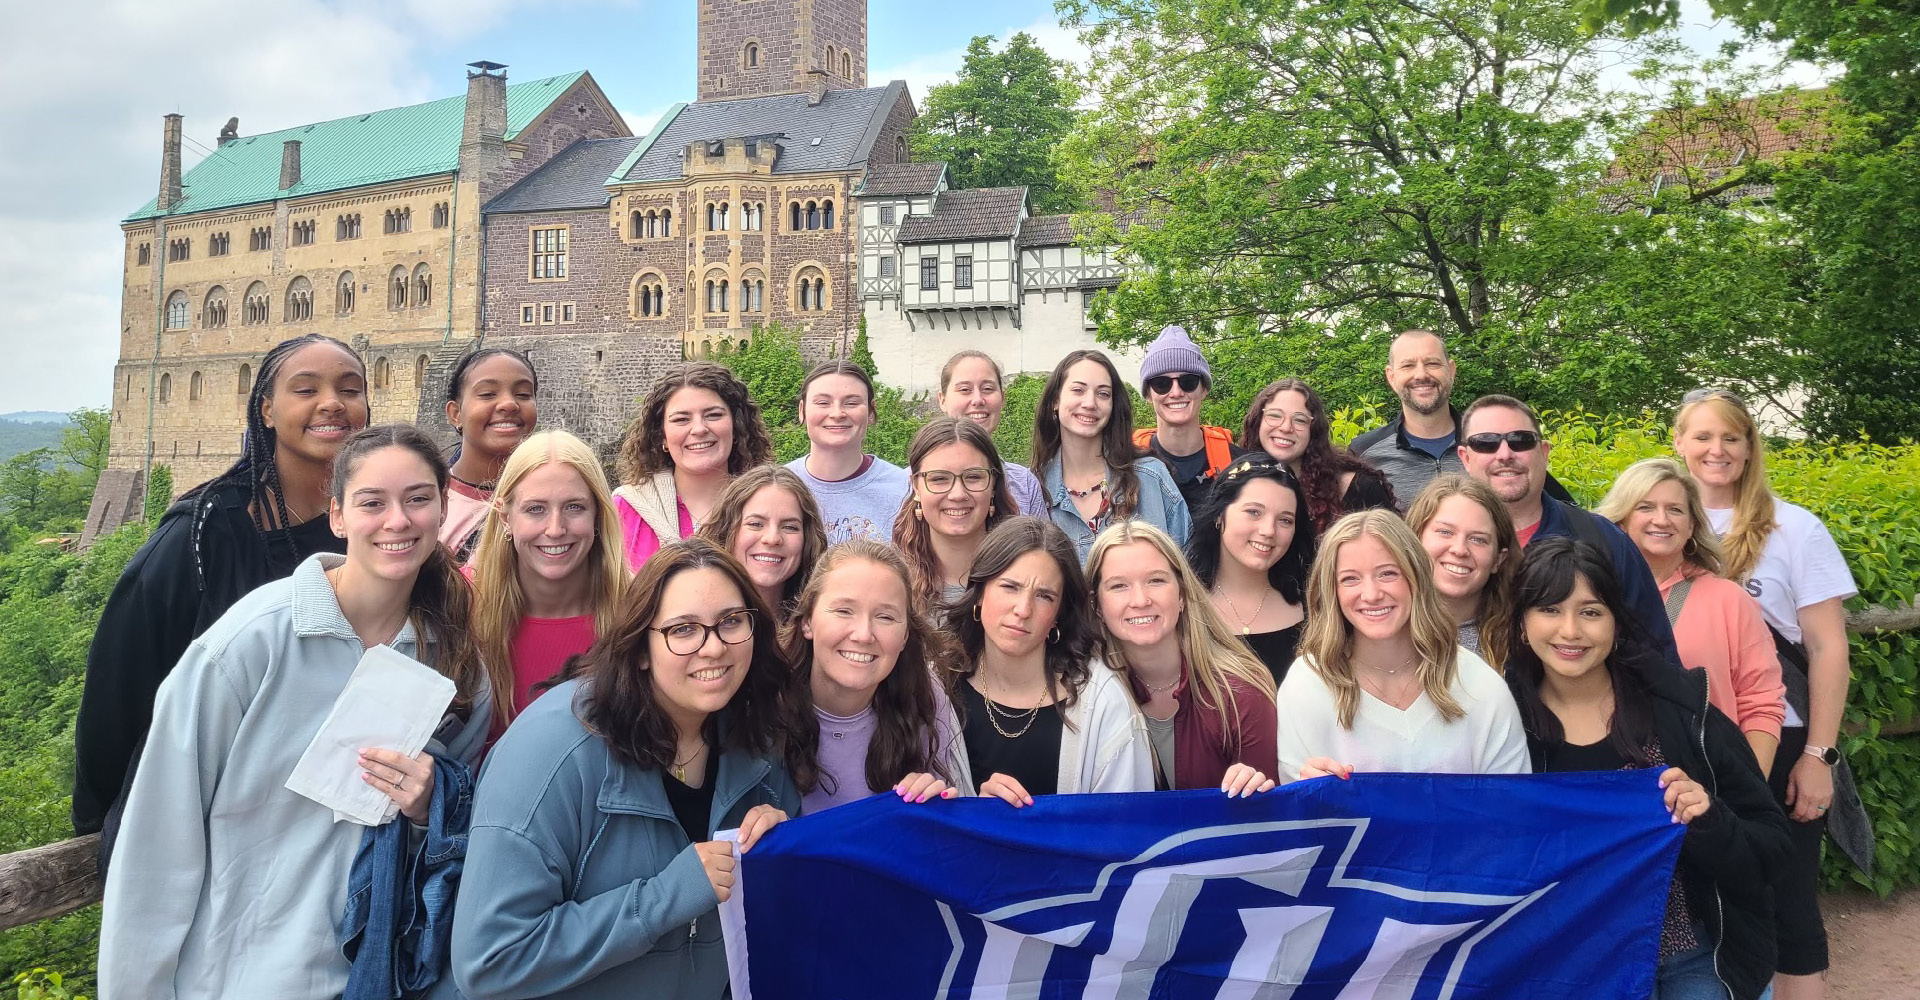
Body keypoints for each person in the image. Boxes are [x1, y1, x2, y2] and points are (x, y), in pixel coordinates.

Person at [99, 425, 494, 1000]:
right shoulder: (250, 645)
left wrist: (430, 806)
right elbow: (157, 844)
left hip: (374, 972)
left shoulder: (456, 665)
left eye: (417, 499)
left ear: (441, 510)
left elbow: (454, 841)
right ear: (337, 515)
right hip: (235, 977)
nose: (398, 520)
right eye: (372, 502)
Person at [446, 538, 797, 1000]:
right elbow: (489, 959)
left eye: (731, 622)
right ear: (641, 648)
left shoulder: (755, 736)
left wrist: (781, 848)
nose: (713, 648)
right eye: (683, 629)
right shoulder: (552, 753)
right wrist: (663, 898)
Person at [73, 334, 371, 855]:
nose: (332, 403)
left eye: (350, 389)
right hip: (208, 824)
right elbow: (121, 682)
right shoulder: (203, 535)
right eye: (306, 389)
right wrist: (106, 823)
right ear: (267, 411)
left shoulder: (370, 529)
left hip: (323, 830)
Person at [1505, 537, 1792, 1000]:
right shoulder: (1502, 723)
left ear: (1617, 622)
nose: (1570, 630)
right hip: (1572, 962)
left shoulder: (1681, 710)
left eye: (1591, 611)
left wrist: (1710, 819)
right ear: (1522, 623)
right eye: (1550, 609)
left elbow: (1772, 848)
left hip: (1695, 954)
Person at [1674, 389, 1863, 999]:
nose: (1717, 450)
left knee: (1787, 899)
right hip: (1682, 736)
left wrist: (1819, 757)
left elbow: (1828, 649)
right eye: (1703, 436)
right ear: (1679, 442)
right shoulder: (1657, 520)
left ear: (1751, 447)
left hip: (1775, 736)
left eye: (1732, 437)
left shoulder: (1794, 529)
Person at [1276, 510, 1529, 782]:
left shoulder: (1479, 685)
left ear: (1416, 577)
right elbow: (1301, 817)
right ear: (1331, 591)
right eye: (1350, 578)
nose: (1371, 595)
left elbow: (1513, 811)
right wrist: (1306, 797)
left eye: (1387, 574)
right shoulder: (1308, 683)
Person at [930, 517, 1154, 805]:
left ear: (1059, 614)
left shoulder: (1102, 701)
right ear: (979, 593)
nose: (1023, 610)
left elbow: (1123, 829)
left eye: (1044, 596)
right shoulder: (936, 687)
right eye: (1010, 587)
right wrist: (974, 815)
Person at [1457, 394, 1683, 666]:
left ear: (1544, 452)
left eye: (1521, 440)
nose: (1505, 454)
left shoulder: (1604, 541)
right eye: (1486, 443)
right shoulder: (1439, 548)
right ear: (1465, 458)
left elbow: (1655, 658)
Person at [1598, 458, 1786, 775]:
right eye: (1645, 507)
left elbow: (1761, 703)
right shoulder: (1592, 596)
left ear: (1691, 526)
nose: (1662, 519)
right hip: (1611, 782)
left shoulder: (1729, 600)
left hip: (1706, 783)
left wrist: (1750, 792)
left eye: (1675, 509)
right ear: (1621, 521)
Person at [1087, 520, 1278, 793]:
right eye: (1119, 586)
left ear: (1182, 595)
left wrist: (1255, 786)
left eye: (1156, 580)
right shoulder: (1086, 698)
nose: (1140, 600)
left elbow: (1270, 823)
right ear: (1097, 605)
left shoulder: (1241, 694)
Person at [782, 539, 972, 814]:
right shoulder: (764, 703)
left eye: (885, 617)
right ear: (807, 621)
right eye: (844, 611)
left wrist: (940, 809)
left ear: (906, 635)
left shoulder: (925, 696)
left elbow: (958, 827)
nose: (863, 635)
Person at [468, 430, 629, 731]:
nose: (555, 529)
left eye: (574, 507)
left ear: (597, 515)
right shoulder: (461, 604)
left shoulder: (638, 611)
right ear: (505, 517)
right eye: (535, 509)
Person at [1348, 330, 1575, 507]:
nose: (1421, 375)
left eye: (1432, 363)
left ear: (1451, 370)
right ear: (1391, 376)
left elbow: (1560, 509)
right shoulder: (1365, 453)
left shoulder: (1493, 443)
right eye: (1408, 365)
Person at [1031, 349, 1190, 558]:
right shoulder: (1031, 489)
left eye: (1103, 394)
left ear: (1113, 405)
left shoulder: (1151, 478)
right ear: (1055, 401)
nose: (1090, 403)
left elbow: (1187, 574)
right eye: (1078, 390)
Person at [614, 362, 773, 568]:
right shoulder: (625, 510)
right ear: (661, 435)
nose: (699, 429)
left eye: (713, 415)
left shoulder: (770, 505)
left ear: (737, 426)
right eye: (681, 419)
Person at [1186, 456, 1315, 686]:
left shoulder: (1314, 606)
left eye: (1285, 520)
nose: (1268, 530)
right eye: (1254, 512)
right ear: (1219, 514)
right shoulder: (1182, 606)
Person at [1240, 377, 1396, 536]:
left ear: (1313, 430)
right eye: (1274, 415)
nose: (1286, 427)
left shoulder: (1357, 488)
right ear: (1258, 421)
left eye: (1300, 420)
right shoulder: (1236, 482)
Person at [894, 416, 1021, 607]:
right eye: (939, 479)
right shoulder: (892, 583)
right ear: (916, 487)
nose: (958, 494)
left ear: (993, 484)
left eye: (973, 477)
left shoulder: (1026, 577)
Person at [784, 360, 910, 544]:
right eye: (823, 402)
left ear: (871, 412)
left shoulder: (903, 490)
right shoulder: (779, 486)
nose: (837, 414)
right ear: (802, 411)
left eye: (851, 403)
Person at [1404, 474, 1519, 667]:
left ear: (1499, 559)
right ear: (1415, 539)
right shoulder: (1382, 631)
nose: (1459, 549)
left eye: (1478, 539)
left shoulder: (1520, 641)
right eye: (1445, 532)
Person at [694, 464, 827, 624]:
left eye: (790, 527)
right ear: (727, 529)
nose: (772, 538)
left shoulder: (819, 626)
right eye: (756, 524)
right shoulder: (694, 617)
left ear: (808, 539)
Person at [440, 348, 539, 563]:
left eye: (523, 394)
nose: (509, 404)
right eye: (487, 394)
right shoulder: (429, 503)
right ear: (455, 414)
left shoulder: (555, 499)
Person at [1130, 325, 1243, 510]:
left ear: (1204, 389)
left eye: (1188, 382)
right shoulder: (1127, 466)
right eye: (1161, 384)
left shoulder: (1238, 466)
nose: (1176, 392)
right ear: (1148, 395)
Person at [937, 350, 1045, 515]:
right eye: (965, 390)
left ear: (1002, 398)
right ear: (942, 400)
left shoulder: (1024, 484)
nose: (978, 400)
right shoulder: (908, 483)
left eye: (987, 389)